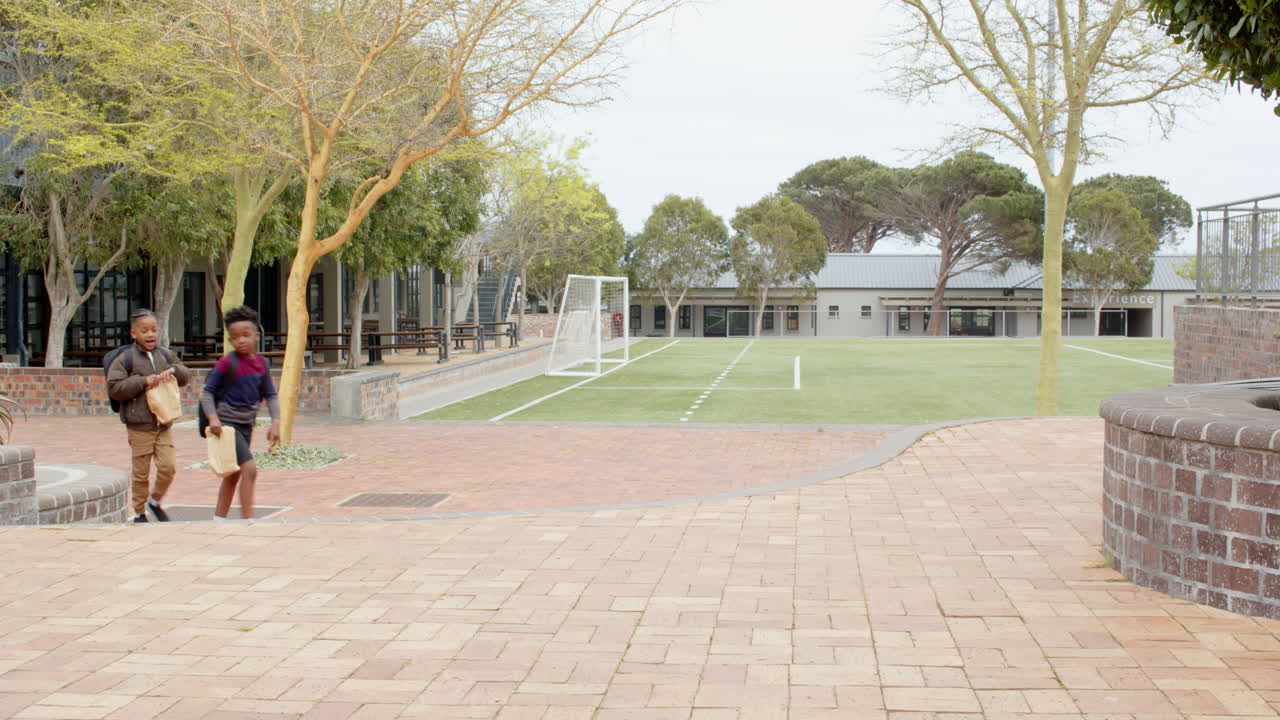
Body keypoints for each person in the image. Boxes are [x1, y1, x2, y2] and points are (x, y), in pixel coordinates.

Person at [107, 308, 191, 523]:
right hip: (139, 425)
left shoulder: (164, 354)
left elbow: (184, 375)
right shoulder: (125, 358)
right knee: (141, 473)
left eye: (154, 329)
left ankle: (155, 500)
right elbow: (115, 388)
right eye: (145, 330)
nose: (150, 334)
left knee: (168, 467)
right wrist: (143, 381)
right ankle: (139, 512)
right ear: (134, 333)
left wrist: (173, 371)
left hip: (163, 423)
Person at [202, 305, 281, 521]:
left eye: (246, 335)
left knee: (233, 474)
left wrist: (276, 422)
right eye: (235, 337)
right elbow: (207, 393)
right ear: (230, 339)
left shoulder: (261, 364)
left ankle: (218, 519)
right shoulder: (227, 362)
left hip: (246, 425)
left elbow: (271, 395)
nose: (241, 340)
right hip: (227, 426)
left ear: (256, 335)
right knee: (250, 469)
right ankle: (248, 520)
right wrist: (213, 418)